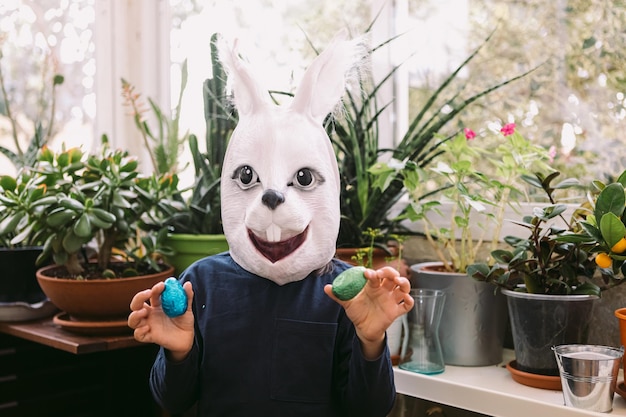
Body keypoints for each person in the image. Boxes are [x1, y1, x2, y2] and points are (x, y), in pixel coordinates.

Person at [128, 30, 413, 417]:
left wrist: (371, 340)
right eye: (247, 178)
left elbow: (370, 408)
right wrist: (178, 351)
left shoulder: (348, 294)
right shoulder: (201, 282)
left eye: (304, 179)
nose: (274, 198)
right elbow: (171, 401)